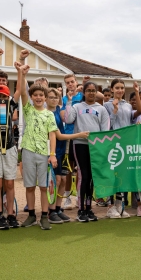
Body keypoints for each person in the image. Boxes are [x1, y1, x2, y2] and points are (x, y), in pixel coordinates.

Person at [19, 64, 58, 230]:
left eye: (41, 95)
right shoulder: (28, 109)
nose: (38, 97)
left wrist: (52, 154)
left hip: (44, 154)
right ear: (32, 97)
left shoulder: (49, 114)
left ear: (45, 97)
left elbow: (52, 134)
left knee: (43, 186)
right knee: (29, 185)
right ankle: (31, 216)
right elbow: (21, 91)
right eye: (35, 95)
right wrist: (21, 73)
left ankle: (44, 216)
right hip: (28, 151)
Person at [65, 81, 110, 222]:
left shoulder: (101, 109)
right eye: (88, 90)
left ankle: (89, 208)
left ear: (96, 92)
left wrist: (102, 146)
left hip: (95, 147)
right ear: (84, 92)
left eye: (93, 90)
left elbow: (105, 129)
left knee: (91, 177)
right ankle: (81, 210)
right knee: (83, 175)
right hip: (80, 144)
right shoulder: (77, 106)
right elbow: (68, 119)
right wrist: (69, 102)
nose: (91, 93)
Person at [45, 87, 90, 224]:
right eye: (51, 97)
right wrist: (79, 135)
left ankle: (58, 209)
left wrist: (69, 100)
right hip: (52, 151)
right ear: (46, 99)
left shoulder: (59, 110)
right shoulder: (47, 114)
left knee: (64, 181)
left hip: (62, 150)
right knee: (55, 181)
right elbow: (58, 135)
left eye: (56, 97)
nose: (53, 99)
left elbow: (69, 117)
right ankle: (51, 211)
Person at [104, 79, 141, 219]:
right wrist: (114, 110)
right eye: (117, 88)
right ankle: (110, 206)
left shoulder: (127, 106)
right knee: (112, 175)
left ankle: (120, 206)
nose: (120, 90)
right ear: (112, 89)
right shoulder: (106, 105)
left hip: (126, 144)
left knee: (122, 176)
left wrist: (137, 92)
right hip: (112, 144)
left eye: (122, 88)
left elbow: (139, 111)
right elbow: (107, 125)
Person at [0, 75, 21, 230]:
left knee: (9, 182)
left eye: (4, 96)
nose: (2, 98)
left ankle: (11, 214)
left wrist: (20, 70)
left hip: (9, 148)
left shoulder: (10, 106)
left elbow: (20, 89)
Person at [61, 74, 84, 210]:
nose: (70, 84)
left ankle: (79, 197)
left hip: (81, 135)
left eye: (72, 82)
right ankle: (67, 197)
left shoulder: (82, 96)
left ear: (76, 82)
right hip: (69, 135)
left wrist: (84, 86)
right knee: (68, 169)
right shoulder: (64, 99)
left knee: (81, 169)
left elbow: (99, 96)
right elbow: (65, 118)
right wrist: (68, 102)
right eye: (68, 83)